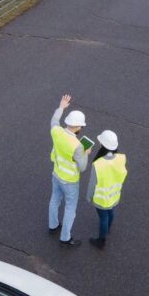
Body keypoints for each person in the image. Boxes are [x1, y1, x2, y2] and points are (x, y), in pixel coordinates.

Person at [48, 94, 91, 246]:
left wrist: (61, 107)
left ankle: (53, 226)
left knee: (54, 200)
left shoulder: (57, 132)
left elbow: (54, 121)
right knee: (70, 209)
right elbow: (83, 167)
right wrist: (86, 154)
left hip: (56, 174)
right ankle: (65, 238)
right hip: (70, 182)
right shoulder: (78, 146)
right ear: (78, 127)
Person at [85, 130, 127, 249]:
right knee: (110, 212)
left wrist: (88, 197)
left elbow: (92, 184)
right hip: (114, 195)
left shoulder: (98, 164)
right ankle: (109, 226)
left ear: (102, 145)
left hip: (101, 199)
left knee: (103, 217)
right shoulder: (121, 158)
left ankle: (101, 241)